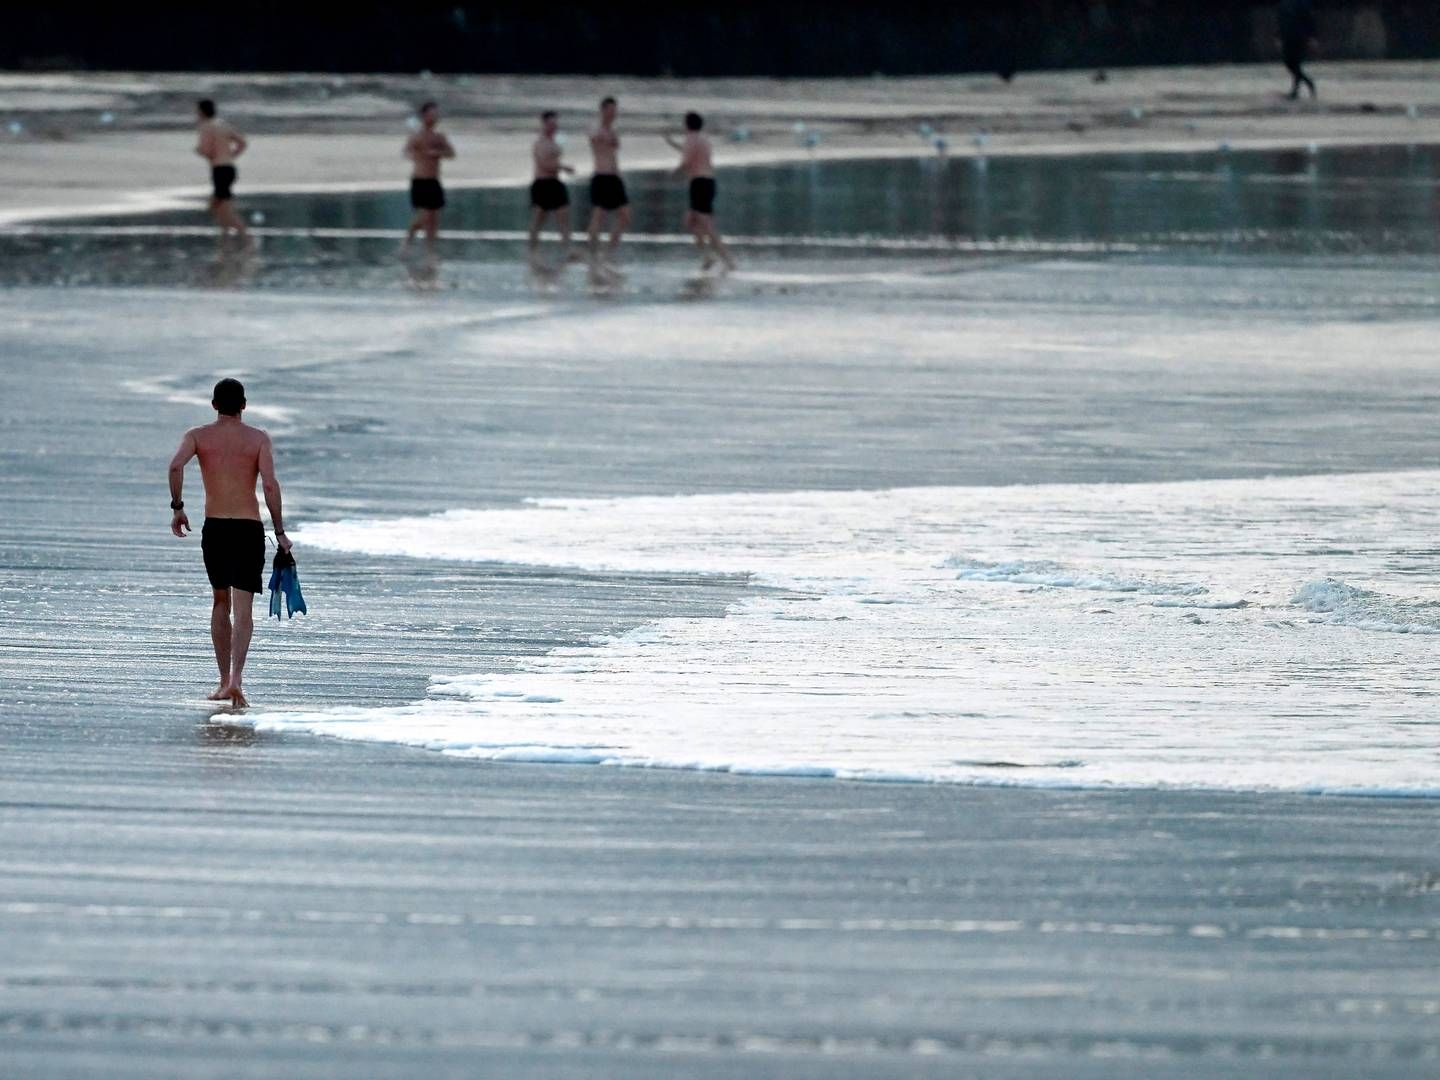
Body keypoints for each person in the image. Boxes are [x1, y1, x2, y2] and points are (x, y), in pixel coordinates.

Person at [168, 378, 291, 709]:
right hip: (248, 528)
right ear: (244, 405)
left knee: (220, 602)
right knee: (245, 607)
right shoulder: (258, 439)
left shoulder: (197, 436)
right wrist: (279, 531)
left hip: (216, 528)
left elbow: (176, 465)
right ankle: (237, 680)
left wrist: (178, 508)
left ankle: (223, 682)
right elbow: (269, 486)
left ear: (213, 405)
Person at [665, 112, 734, 272]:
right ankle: (708, 257)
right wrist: (672, 143)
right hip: (708, 183)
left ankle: (728, 260)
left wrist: (673, 174)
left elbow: (686, 161)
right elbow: (689, 151)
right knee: (691, 221)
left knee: (706, 225)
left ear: (686, 125)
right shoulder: (703, 140)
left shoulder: (691, 139)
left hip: (699, 184)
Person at [403, 101, 456, 252]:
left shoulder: (439, 137)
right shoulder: (417, 136)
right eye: (432, 114)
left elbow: (451, 154)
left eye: (436, 114)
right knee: (423, 216)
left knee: (434, 218)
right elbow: (407, 152)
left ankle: (430, 249)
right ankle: (407, 241)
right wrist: (418, 155)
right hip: (420, 180)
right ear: (424, 116)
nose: (435, 117)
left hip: (434, 181)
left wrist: (437, 153)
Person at [194, 99, 249, 241]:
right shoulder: (222, 124)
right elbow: (242, 142)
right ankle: (226, 234)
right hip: (229, 167)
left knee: (222, 207)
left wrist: (199, 151)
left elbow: (206, 150)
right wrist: (232, 155)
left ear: (201, 111)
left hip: (219, 169)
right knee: (218, 205)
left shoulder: (206, 127)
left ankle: (245, 236)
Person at [587, 96, 630, 264]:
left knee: (625, 216)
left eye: (615, 110)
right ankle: (593, 252)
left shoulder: (613, 130)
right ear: (603, 110)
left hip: (615, 177)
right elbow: (593, 138)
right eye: (610, 110)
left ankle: (607, 251)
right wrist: (604, 133)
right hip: (601, 176)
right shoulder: (596, 128)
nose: (613, 113)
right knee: (599, 215)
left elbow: (614, 150)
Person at [528, 110, 575, 261]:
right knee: (539, 219)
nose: (554, 126)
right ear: (545, 124)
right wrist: (563, 167)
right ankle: (532, 251)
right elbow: (544, 164)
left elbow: (558, 155)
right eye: (551, 123)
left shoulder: (556, 140)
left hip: (556, 183)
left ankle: (567, 249)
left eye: (555, 123)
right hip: (542, 183)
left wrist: (561, 166)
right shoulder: (540, 143)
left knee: (564, 216)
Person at [1278, 0, 1318, 100]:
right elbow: (1281, 21)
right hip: (1287, 36)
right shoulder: (1284, 4)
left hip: (1299, 36)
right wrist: (1278, 35)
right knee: (1290, 63)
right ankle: (1307, 83)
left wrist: (1311, 37)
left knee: (1295, 63)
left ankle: (1296, 90)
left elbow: (1309, 20)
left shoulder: (1302, 3)